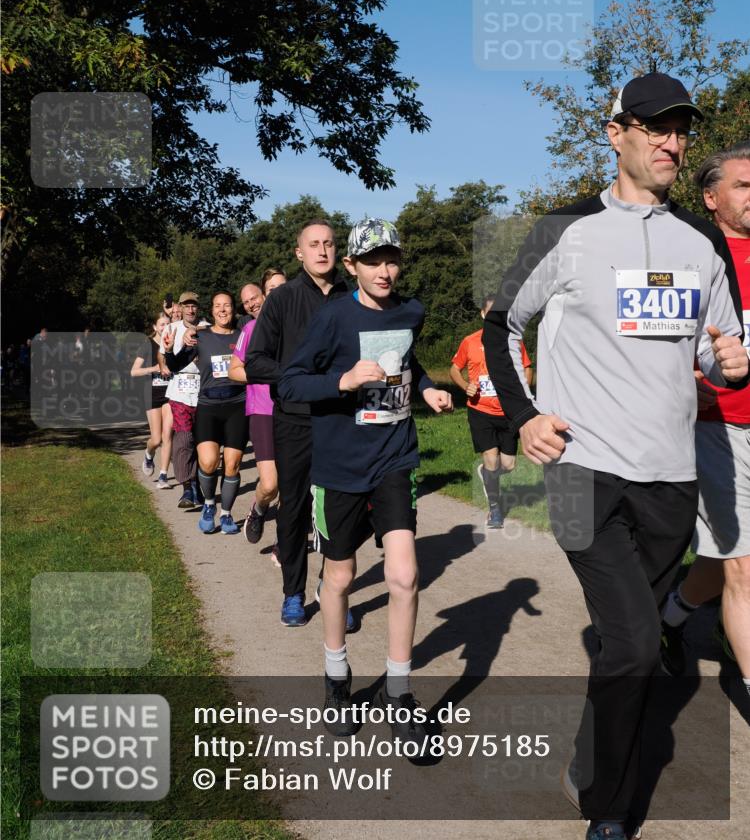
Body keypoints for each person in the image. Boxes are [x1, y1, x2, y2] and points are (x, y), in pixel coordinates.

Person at [483, 73, 747, 840]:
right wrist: (525, 417)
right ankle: (608, 811)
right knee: (633, 640)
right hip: (579, 469)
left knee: (627, 647)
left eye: (681, 130)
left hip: (670, 476)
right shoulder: (565, 229)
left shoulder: (700, 244)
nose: (672, 143)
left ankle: (586, 762)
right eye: (656, 128)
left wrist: (729, 362)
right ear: (616, 132)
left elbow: (713, 348)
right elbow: (503, 326)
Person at [279, 218, 452, 732]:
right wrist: (344, 379)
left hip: (396, 458)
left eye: (392, 258)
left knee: (405, 575)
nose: (385, 270)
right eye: (373, 261)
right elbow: (291, 384)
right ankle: (337, 676)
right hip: (338, 468)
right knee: (340, 576)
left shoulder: (411, 311)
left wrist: (425, 389)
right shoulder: (333, 319)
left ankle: (399, 693)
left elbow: (408, 360)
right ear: (351, 266)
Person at [660, 142, 750, 697]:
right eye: (743, 185)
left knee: (721, 560)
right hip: (718, 426)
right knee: (744, 568)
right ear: (711, 198)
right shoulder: (693, 258)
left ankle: (672, 618)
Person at [244, 220, 350, 627]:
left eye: (329, 244)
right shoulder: (283, 299)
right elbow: (256, 361)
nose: (322, 251)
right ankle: (293, 592)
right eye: (314, 244)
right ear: (299, 253)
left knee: (342, 510)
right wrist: (297, 375)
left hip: (343, 418)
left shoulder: (352, 297)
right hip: (296, 420)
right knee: (295, 509)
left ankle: (334, 589)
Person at [165, 291, 246, 534]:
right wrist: (169, 350)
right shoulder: (201, 336)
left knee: (232, 465)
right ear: (211, 311)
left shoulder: (244, 336)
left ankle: (228, 514)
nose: (223, 310)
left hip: (237, 405)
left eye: (227, 306)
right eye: (218, 306)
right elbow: (175, 365)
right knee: (209, 462)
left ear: (233, 309)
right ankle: (209, 504)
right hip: (208, 406)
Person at [450, 295, 533, 527]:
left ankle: (487, 473)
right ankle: (494, 509)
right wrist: (465, 385)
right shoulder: (470, 341)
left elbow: (527, 368)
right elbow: (454, 369)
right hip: (480, 410)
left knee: (508, 465)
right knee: (492, 460)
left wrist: (523, 394)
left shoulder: (514, 341)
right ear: (483, 315)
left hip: (507, 412)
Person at [228, 268, 288, 555]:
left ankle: (284, 542)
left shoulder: (293, 325)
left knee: (291, 484)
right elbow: (234, 372)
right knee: (270, 484)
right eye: (246, 301)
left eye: (256, 297)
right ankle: (260, 507)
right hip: (262, 409)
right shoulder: (250, 331)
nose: (252, 303)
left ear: (266, 297)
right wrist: (267, 374)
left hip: (293, 409)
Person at [159, 292, 204, 510]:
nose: (190, 310)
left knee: (199, 442)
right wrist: (163, 361)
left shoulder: (208, 328)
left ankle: (197, 484)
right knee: (184, 438)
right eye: (186, 306)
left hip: (203, 392)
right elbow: (162, 353)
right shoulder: (171, 329)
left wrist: (196, 332)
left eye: (194, 306)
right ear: (180, 308)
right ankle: (187, 486)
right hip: (179, 392)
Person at [131, 313, 174, 488]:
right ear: (155, 327)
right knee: (156, 440)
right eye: (162, 324)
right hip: (152, 394)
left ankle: (163, 475)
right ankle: (149, 455)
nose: (165, 327)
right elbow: (134, 371)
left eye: (168, 324)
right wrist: (154, 369)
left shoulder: (174, 344)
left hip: (170, 393)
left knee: (167, 434)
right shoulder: (147, 345)